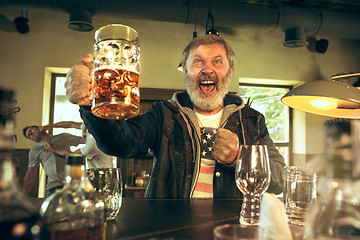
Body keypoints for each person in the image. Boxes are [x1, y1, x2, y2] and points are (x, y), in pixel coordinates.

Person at [65, 34, 286, 199]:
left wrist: (240, 158)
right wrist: (90, 105)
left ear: (229, 72)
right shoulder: (163, 112)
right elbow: (121, 144)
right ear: (186, 72)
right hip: (169, 225)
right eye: (198, 61)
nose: (207, 70)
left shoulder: (252, 120)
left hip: (231, 228)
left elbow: (280, 181)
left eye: (216, 62)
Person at [22, 122, 85, 197]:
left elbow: (86, 140)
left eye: (30, 131)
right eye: (29, 136)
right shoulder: (35, 150)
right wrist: (24, 195)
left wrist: (49, 126)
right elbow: (30, 174)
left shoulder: (63, 137)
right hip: (53, 187)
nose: (30, 134)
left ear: (39, 127)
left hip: (72, 185)